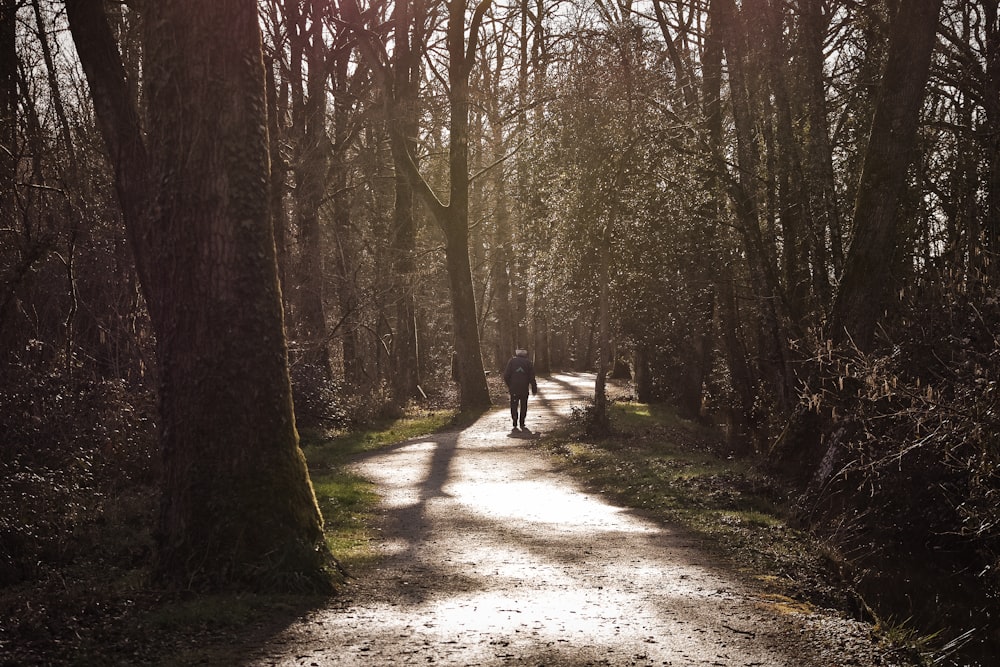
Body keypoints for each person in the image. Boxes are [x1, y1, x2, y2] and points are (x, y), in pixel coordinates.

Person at [503, 348, 537, 430]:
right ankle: (522, 422)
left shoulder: (511, 361)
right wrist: (534, 388)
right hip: (524, 388)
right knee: (523, 405)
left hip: (514, 387)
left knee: (514, 404)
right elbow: (532, 377)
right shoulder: (528, 363)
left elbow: (506, 375)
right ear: (525, 354)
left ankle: (514, 418)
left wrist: (509, 385)